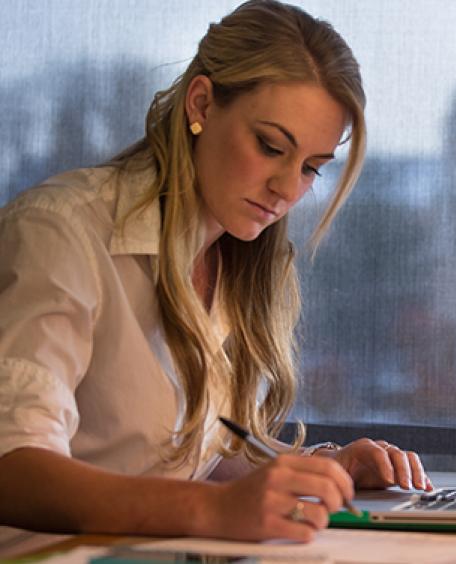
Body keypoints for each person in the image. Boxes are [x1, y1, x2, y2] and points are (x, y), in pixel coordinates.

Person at [0, 0, 431, 549]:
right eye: (271, 147)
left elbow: (187, 462)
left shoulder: (234, 259)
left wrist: (322, 470)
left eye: (310, 168)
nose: (289, 190)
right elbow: (11, 467)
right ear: (201, 102)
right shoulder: (59, 233)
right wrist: (212, 510)